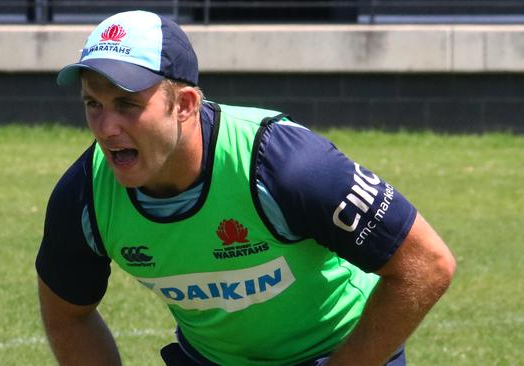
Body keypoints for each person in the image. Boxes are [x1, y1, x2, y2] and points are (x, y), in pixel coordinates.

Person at [35, 10, 456, 366]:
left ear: (184, 105)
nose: (107, 128)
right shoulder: (85, 197)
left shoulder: (285, 165)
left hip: (337, 351)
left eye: (128, 105)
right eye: (94, 104)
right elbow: (68, 316)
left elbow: (426, 264)